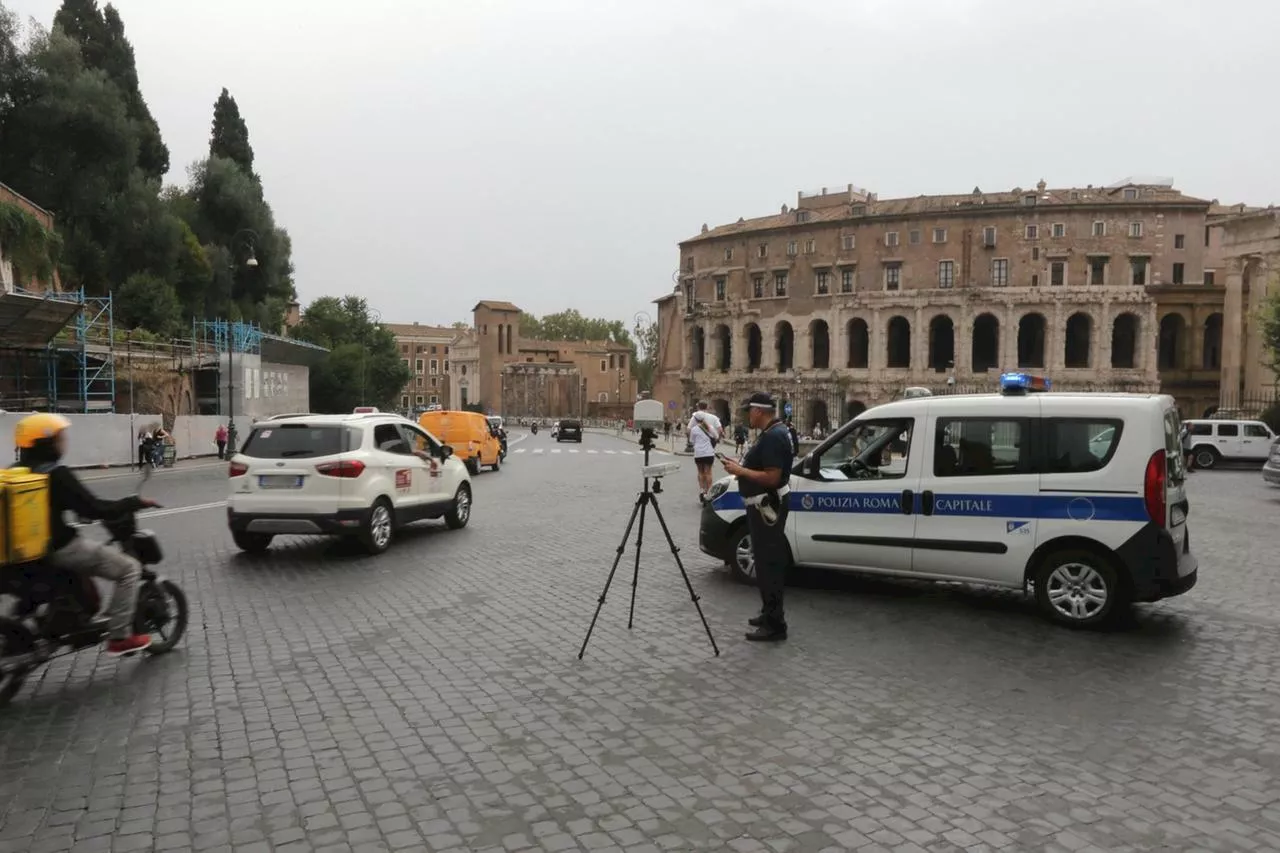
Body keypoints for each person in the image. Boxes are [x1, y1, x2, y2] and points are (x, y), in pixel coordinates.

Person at [14, 414, 157, 657]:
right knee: (129, 569)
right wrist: (132, 503)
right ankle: (119, 636)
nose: (64, 442)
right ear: (47, 443)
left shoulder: (16, 472)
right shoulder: (57, 474)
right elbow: (94, 508)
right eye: (60, 438)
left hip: (24, 551)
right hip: (61, 547)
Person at [720, 393, 792, 642]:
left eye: (749, 411)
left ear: (759, 411)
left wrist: (740, 470)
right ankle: (769, 612)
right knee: (763, 562)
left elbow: (772, 477)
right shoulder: (776, 431)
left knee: (768, 563)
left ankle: (775, 624)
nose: (747, 415)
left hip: (766, 507)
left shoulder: (773, 436)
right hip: (765, 506)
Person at [687, 400, 723, 502]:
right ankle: (709, 492)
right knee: (708, 472)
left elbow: (690, 438)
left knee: (700, 472)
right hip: (709, 452)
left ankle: (702, 491)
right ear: (707, 407)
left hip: (698, 453)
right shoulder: (711, 424)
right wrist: (715, 441)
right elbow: (718, 434)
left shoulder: (694, 428)